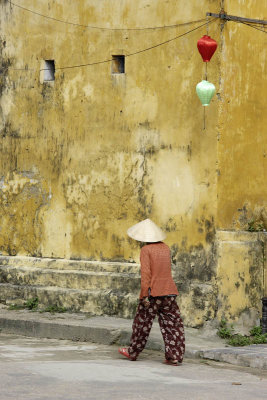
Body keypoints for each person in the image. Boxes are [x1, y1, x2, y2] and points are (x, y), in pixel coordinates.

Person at [118, 218, 185, 366]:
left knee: (142, 324)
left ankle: (133, 351)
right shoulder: (166, 248)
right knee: (172, 324)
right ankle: (174, 356)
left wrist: (144, 295)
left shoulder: (146, 250)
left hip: (152, 293)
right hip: (169, 291)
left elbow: (146, 275)